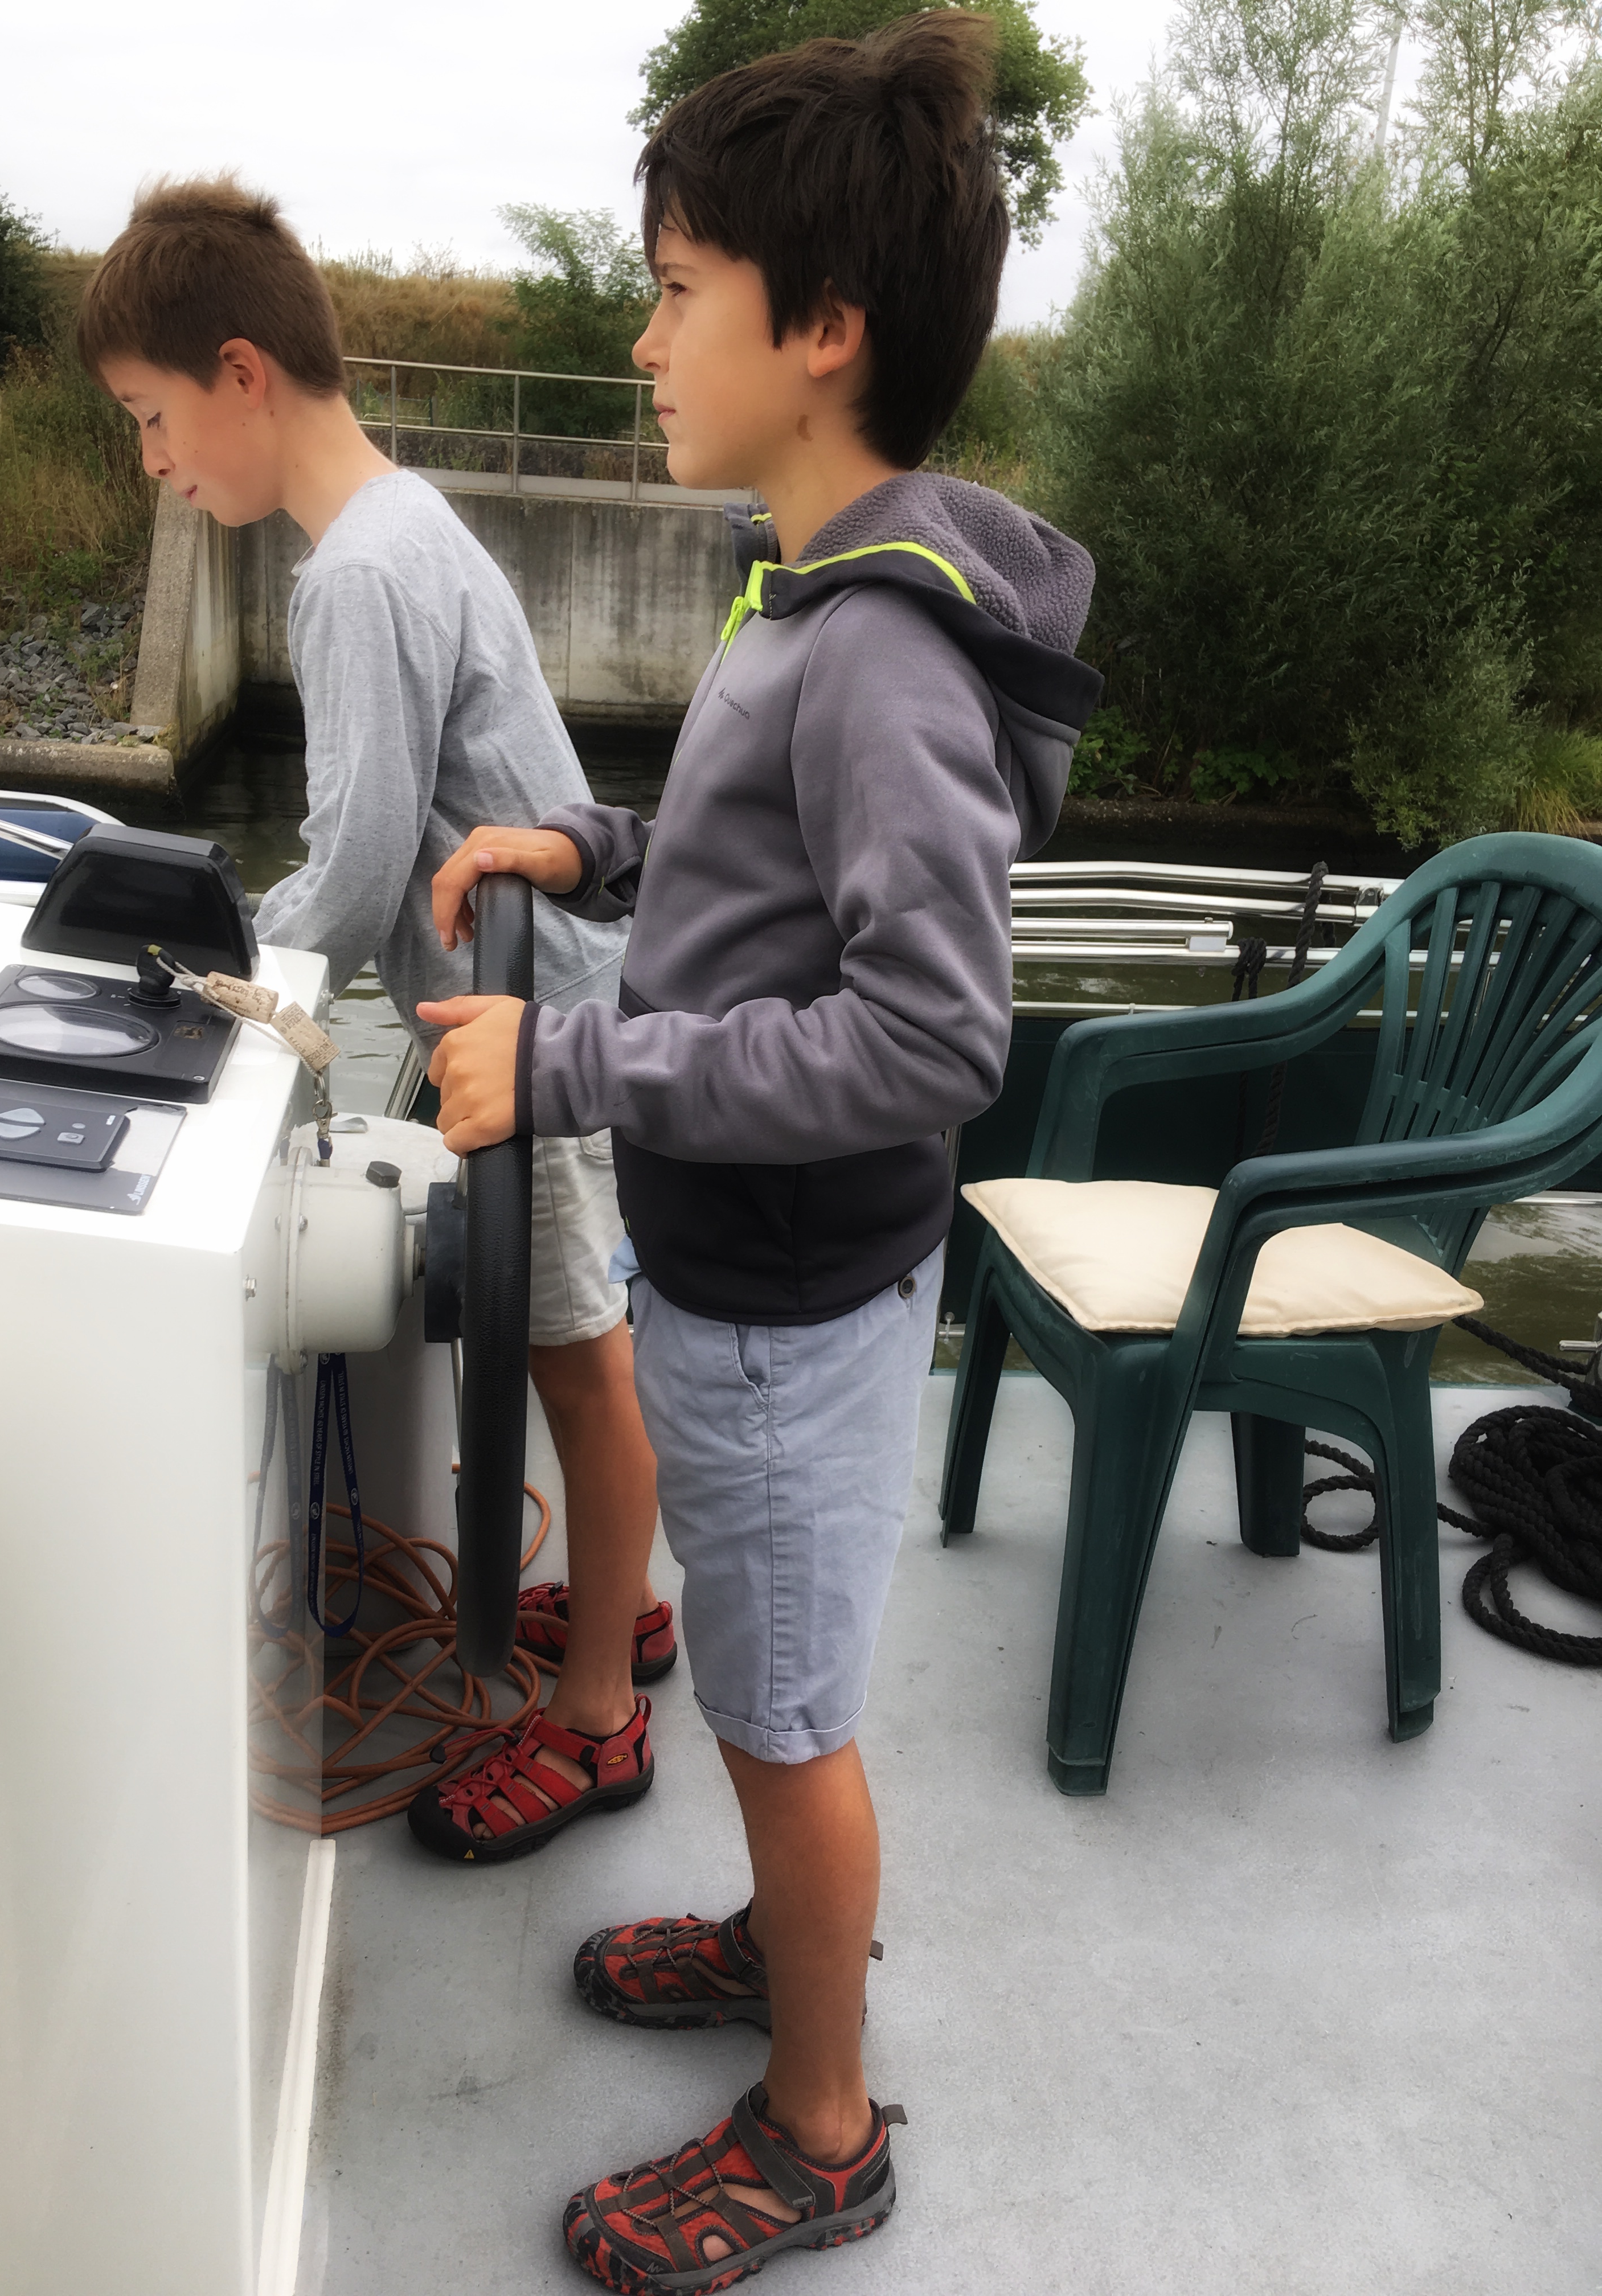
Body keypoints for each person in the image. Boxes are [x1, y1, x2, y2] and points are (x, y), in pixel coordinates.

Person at [420, 14, 1101, 2289]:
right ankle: (768, 1941)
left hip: (794, 1300)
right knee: (753, 1671)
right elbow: (747, 861)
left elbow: (933, 1033)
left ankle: (822, 2129)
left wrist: (578, 1067)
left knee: (789, 1718)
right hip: (745, 1279)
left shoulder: (880, 653)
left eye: (675, 291)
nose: (641, 340)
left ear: (821, 331)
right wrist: (591, 845)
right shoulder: (798, 581)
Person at [76, 181, 672, 1852]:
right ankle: (621, 1608)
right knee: (580, 1351)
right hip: (554, 1002)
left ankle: (600, 1712)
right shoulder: (409, 522)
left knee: (580, 1367)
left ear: (241, 372)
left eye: (153, 417)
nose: (155, 462)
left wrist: (217, 986)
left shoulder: (352, 578)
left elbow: (348, 868)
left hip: (536, 1036)